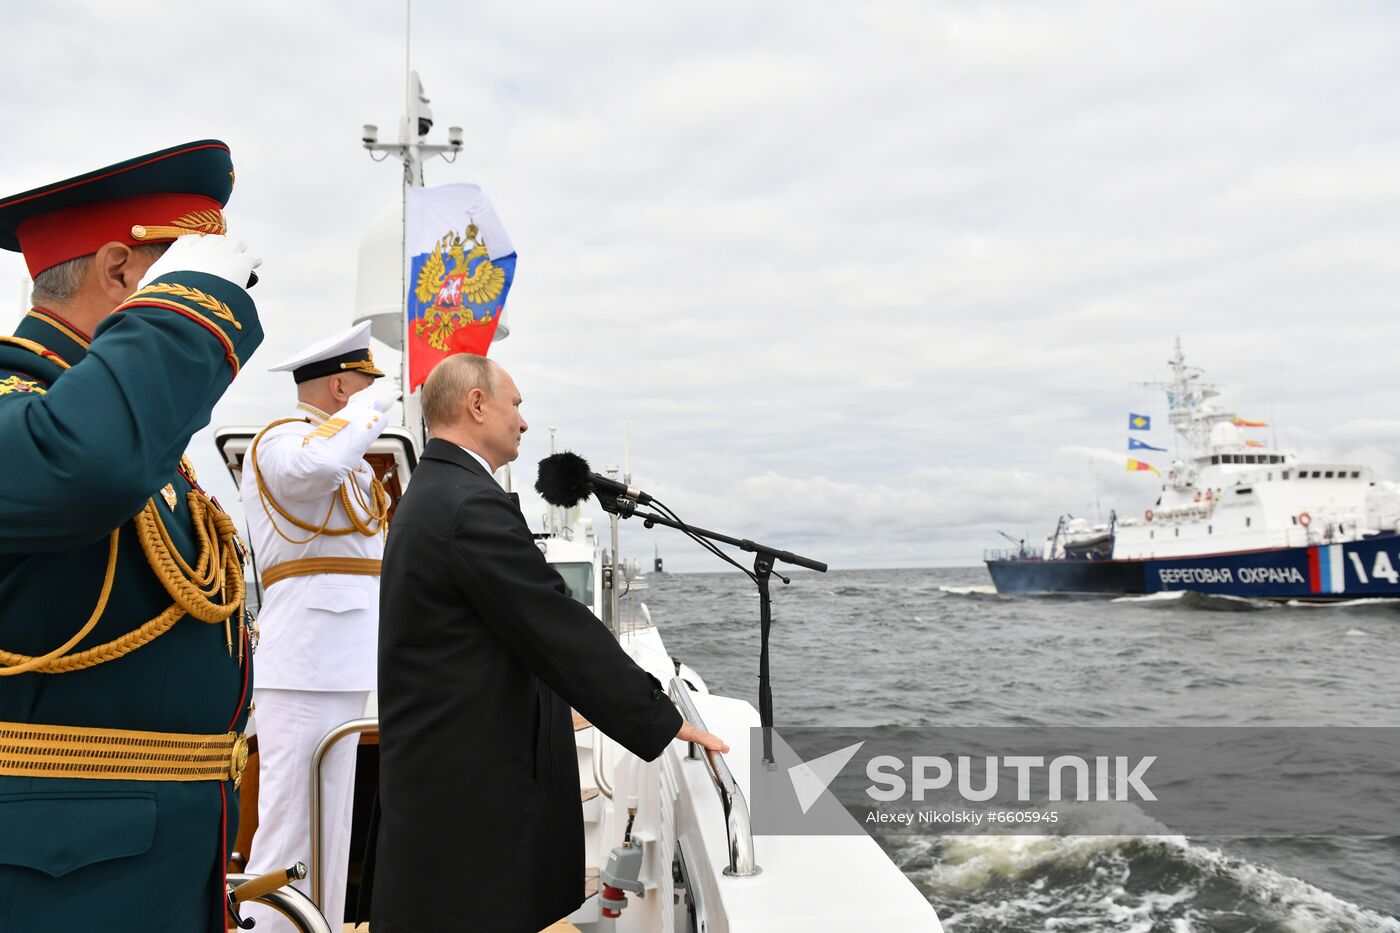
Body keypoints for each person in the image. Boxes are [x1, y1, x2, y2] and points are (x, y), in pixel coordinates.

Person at [0, 141, 263, 932]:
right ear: (120, 273)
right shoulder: (26, 407)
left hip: (156, 862)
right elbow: (87, 465)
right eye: (170, 275)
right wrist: (200, 302)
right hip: (60, 885)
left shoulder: (130, 434)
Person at [373, 353, 727, 933]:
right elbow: (553, 623)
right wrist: (659, 716)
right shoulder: (467, 504)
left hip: (441, 770)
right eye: (515, 404)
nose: (524, 421)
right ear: (477, 403)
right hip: (468, 784)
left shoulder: (435, 490)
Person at [240, 320, 398, 931]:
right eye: (363, 385)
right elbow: (313, 472)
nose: (373, 397)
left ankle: (318, 925)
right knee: (288, 826)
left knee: (330, 828)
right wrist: (375, 407)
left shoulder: (339, 451)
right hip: (305, 658)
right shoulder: (282, 440)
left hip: (342, 657)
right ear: (340, 389)